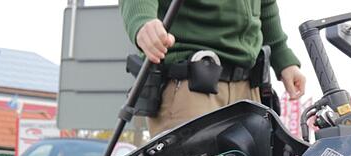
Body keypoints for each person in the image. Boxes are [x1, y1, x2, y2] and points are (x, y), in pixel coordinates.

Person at [119, 0, 307, 136]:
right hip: (191, 86)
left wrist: (282, 57)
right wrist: (142, 21)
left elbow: (265, 4)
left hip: (249, 88)